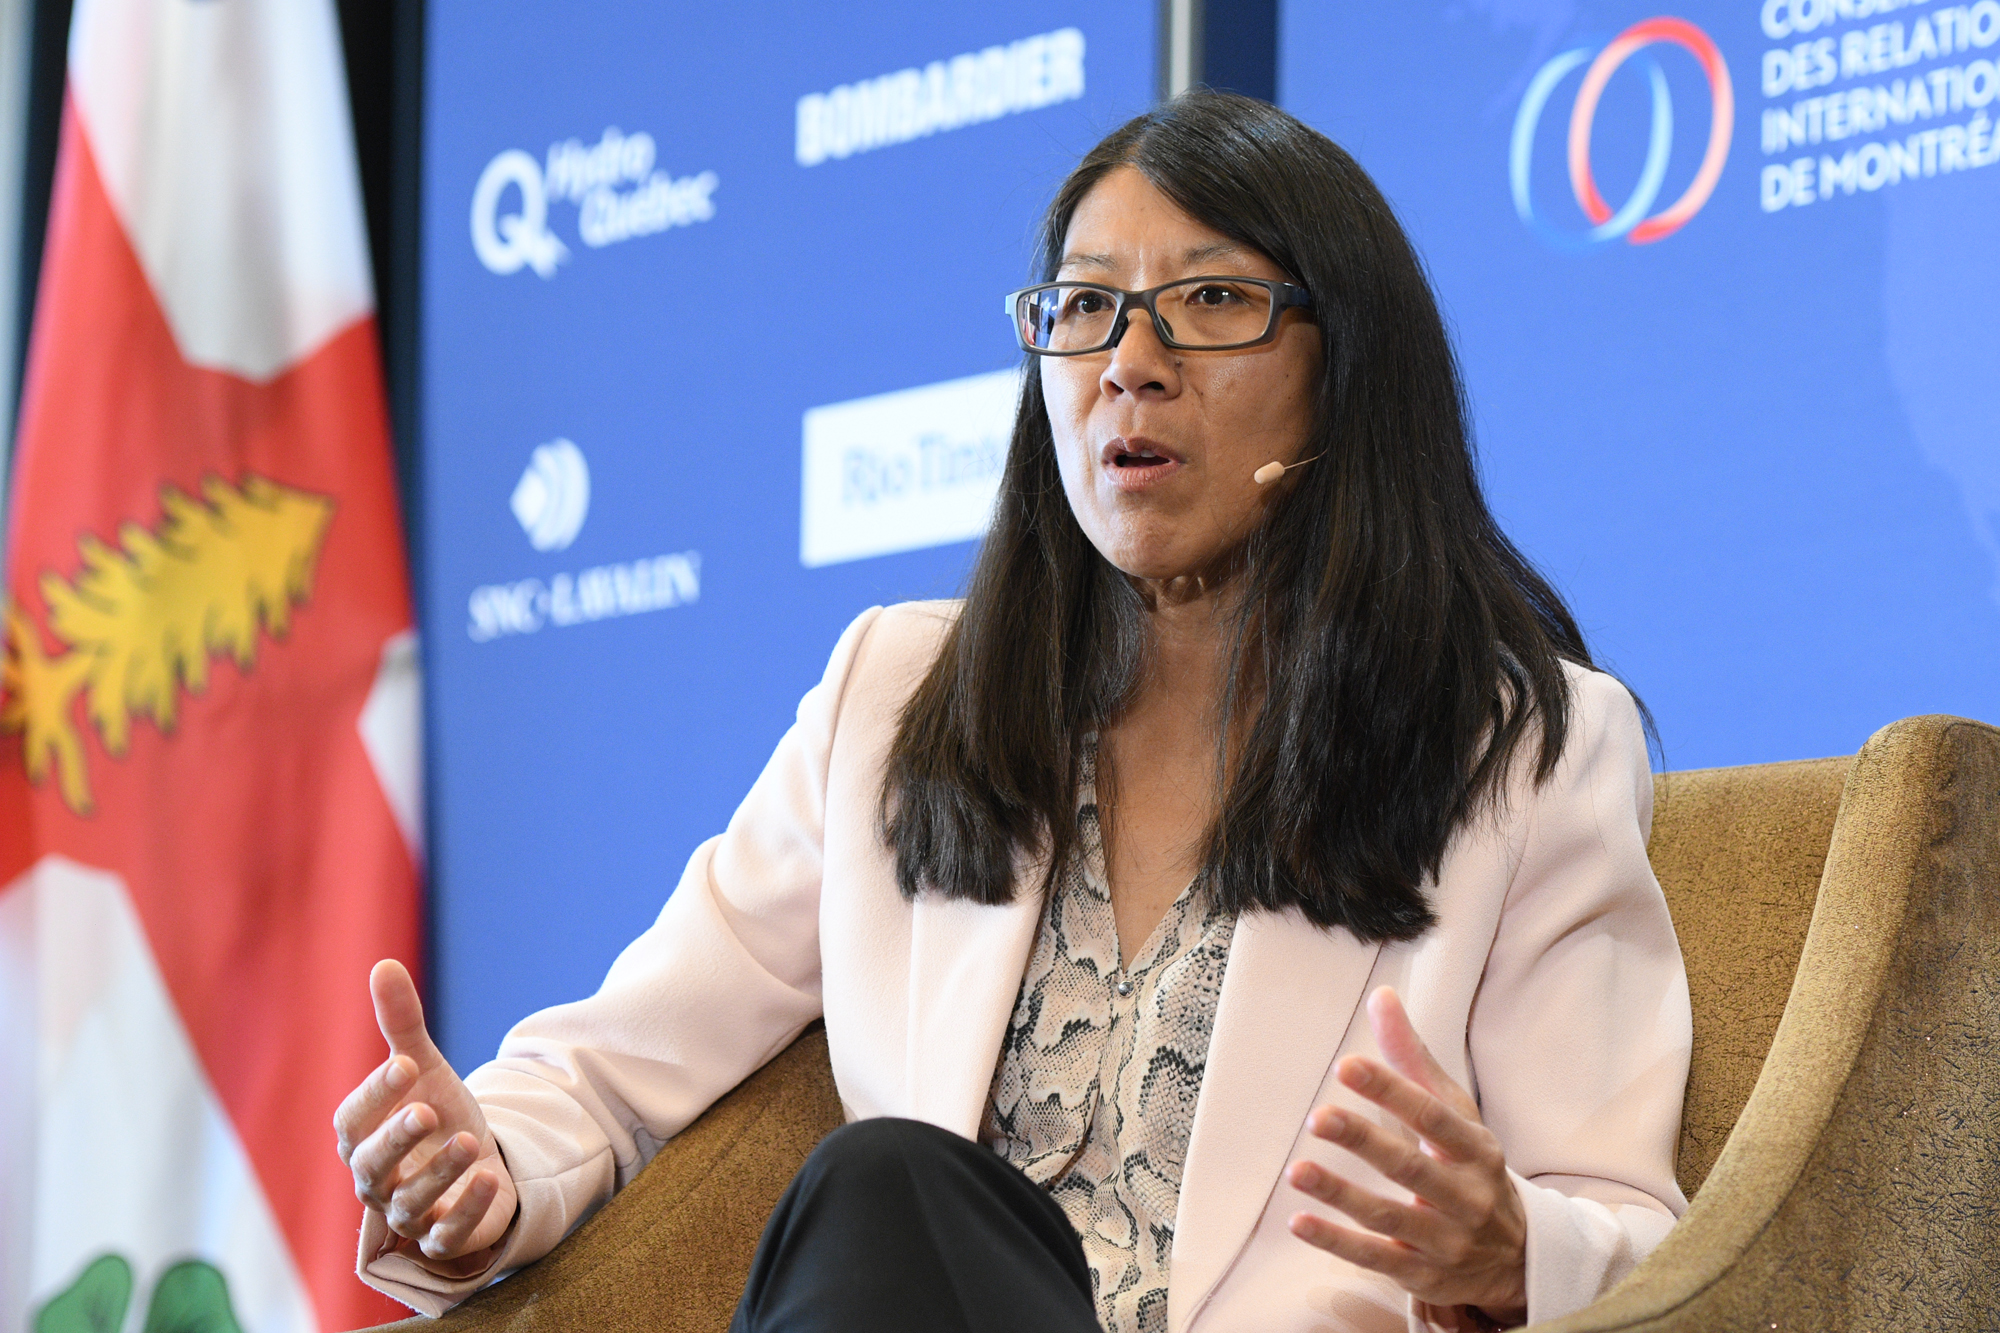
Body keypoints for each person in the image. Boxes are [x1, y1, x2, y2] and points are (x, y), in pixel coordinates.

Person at [335, 91, 1689, 1333]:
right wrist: (481, 1159)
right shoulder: (896, 698)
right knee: (885, 1190)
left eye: (1213, 300)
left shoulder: (1524, 753)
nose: (1131, 363)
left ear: (1349, 369)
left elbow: (1639, 1233)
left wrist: (1507, 1251)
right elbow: (615, 1064)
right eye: (1086, 307)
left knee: (881, 1183)